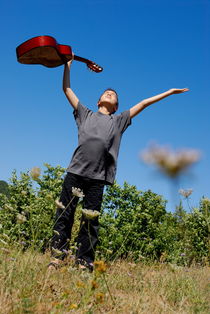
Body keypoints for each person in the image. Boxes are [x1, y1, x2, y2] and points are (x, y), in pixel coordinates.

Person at [48, 58, 189, 271]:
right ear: (98, 102)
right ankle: (57, 258)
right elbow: (66, 88)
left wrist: (168, 92)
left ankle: (84, 263)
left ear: (116, 106)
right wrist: (68, 64)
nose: (109, 93)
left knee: (90, 222)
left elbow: (143, 103)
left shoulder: (119, 121)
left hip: (98, 177)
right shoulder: (85, 114)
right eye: (106, 92)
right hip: (75, 171)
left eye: (113, 95)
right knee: (65, 215)